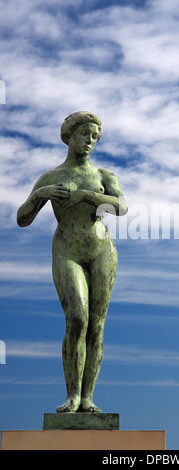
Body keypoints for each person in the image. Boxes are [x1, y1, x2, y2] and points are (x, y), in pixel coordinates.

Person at [17, 111, 128, 413]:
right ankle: (72, 395)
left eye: (95, 136)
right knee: (77, 318)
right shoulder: (52, 177)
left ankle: (88, 397)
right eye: (84, 134)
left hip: (101, 248)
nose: (90, 141)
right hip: (67, 248)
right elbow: (22, 219)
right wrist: (41, 195)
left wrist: (88, 197)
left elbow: (121, 208)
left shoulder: (105, 176)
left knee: (97, 325)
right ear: (69, 135)